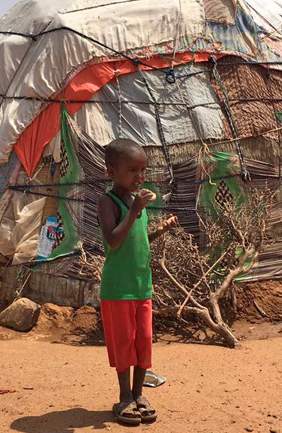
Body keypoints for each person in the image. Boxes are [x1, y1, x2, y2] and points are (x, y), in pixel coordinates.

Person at [96, 138, 178, 425]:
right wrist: (134, 211)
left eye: (143, 170)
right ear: (111, 171)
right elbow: (113, 240)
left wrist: (160, 231)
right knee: (124, 344)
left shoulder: (136, 202)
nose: (140, 177)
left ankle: (139, 393)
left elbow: (137, 238)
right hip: (118, 289)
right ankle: (124, 398)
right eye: (132, 170)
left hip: (143, 285)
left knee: (143, 342)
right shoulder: (109, 203)